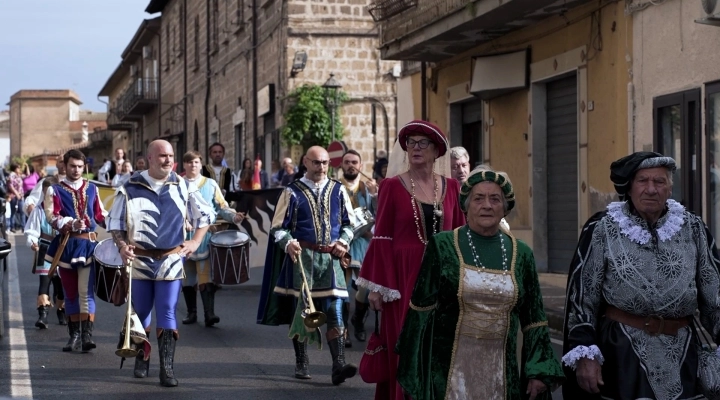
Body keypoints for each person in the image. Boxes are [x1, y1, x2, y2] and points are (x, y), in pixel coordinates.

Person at [562, 151, 720, 400]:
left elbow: (715, 295)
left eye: (659, 182)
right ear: (630, 187)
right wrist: (585, 354)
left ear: (669, 188)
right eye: (643, 181)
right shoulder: (602, 229)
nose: (651, 189)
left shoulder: (693, 228)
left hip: (683, 354)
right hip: (621, 354)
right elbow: (582, 299)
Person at [396, 167, 564, 399]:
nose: (487, 205)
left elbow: (534, 319)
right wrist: (415, 371)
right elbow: (420, 312)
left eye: (495, 199)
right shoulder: (443, 245)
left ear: (505, 207)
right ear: (465, 205)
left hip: (502, 373)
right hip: (447, 374)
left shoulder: (521, 253)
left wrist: (538, 369)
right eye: (479, 198)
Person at [356, 120, 466, 400]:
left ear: (436, 150)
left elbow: (461, 236)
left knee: (442, 347)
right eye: (411, 143)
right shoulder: (392, 186)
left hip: (444, 280)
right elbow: (382, 237)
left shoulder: (452, 188)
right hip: (403, 279)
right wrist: (379, 287)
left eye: (422, 143)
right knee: (407, 347)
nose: (415, 148)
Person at [107, 140, 214, 387]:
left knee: (167, 310)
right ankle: (143, 357)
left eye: (171, 156)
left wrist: (196, 241)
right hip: (140, 260)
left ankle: (166, 368)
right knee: (142, 312)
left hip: (170, 259)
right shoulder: (129, 186)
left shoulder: (183, 185)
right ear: (150, 158)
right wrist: (123, 247)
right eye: (163, 156)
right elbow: (115, 224)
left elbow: (206, 215)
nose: (168, 160)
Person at [257, 146, 358, 385]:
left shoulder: (338, 190)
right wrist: (288, 242)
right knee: (302, 312)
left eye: (324, 163)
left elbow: (349, 223)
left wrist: (344, 241)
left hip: (330, 260)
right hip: (302, 259)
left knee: (335, 310)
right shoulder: (291, 192)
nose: (321, 167)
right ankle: (301, 360)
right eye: (316, 163)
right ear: (305, 162)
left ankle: (338, 364)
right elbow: (278, 227)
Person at [43, 149, 107, 353]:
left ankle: (87, 336)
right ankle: (74, 336)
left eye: (80, 166)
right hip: (67, 246)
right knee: (70, 293)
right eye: (72, 166)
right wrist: (70, 223)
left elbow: (100, 214)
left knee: (85, 292)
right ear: (65, 166)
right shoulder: (54, 190)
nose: (76, 170)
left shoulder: (93, 188)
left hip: (87, 246)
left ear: (84, 167)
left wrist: (119, 223)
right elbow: (51, 217)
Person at [180, 150, 245, 327]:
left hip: (205, 237)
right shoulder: (177, 184)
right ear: (184, 165)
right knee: (188, 278)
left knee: (205, 276)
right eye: (189, 162)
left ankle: (209, 313)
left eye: (196, 162)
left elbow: (222, 206)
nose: (193, 165)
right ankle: (191, 313)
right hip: (182, 238)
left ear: (201, 165)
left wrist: (234, 217)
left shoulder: (210, 184)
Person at [339, 149, 377, 345]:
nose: (351, 165)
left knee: (364, 288)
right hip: (343, 244)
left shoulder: (367, 188)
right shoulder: (335, 187)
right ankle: (343, 327)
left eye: (354, 162)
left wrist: (376, 196)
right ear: (342, 165)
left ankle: (358, 321)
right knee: (342, 289)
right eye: (347, 162)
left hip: (364, 244)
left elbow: (378, 214)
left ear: (361, 166)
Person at [25, 176, 65, 328]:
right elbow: (32, 229)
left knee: (61, 283)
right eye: (45, 192)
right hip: (45, 247)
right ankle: (43, 314)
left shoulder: (63, 208)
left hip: (62, 248)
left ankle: (61, 311)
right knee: (45, 281)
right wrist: (32, 241)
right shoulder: (39, 210)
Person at [8, 163, 25, 232]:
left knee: (22, 211)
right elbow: (10, 186)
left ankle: (23, 227)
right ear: (15, 168)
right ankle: (12, 227)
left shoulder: (18, 175)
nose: (19, 169)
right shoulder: (12, 175)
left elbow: (27, 174)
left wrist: (26, 166)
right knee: (13, 211)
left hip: (21, 195)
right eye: (18, 168)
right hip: (14, 196)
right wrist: (17, 194)